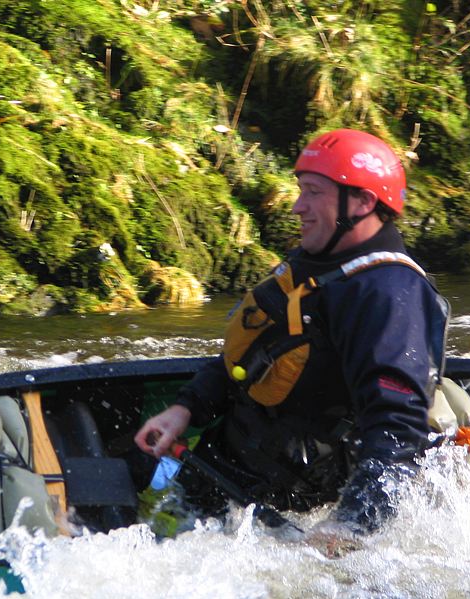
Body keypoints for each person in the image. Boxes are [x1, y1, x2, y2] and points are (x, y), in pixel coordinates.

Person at [134, 129, 450, 554]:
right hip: (222, 480)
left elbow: (398, 431)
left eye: (313, 193)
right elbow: (254, 353)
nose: (298, 207)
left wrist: (351, 525)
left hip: (281, 518)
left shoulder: (387, 293)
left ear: (362, 203)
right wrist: (186, 408)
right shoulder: (314, 265)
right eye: (301, 191)